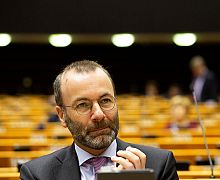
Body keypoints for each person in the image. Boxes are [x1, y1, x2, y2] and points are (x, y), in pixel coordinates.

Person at [20, 60, 178, 180]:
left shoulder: (160, 165)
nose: (99, 114)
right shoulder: (37, 175)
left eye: (105, 101)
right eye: (83, 105)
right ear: (62, 116)